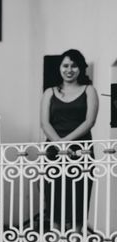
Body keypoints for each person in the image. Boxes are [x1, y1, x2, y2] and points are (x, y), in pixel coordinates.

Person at [40, 49, 98, 232]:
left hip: (81, 151)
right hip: (53, 151)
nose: (69, 69)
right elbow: (44, 123)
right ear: (59, 68)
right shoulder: (49, 92)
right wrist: (59, 143)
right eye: (65, 65)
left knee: (79, 196)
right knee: (54, 197)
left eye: (74, 65)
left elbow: (90, 122)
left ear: (81, 68)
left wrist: (66, 141)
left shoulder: (89, 90)